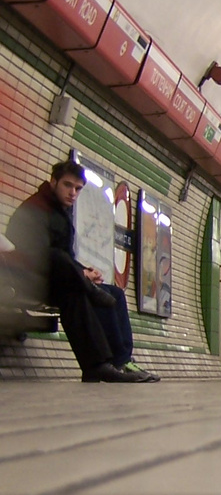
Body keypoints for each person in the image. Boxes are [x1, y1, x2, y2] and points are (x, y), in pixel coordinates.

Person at [4, 160, 157, 382]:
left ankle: (122, 361)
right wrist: (80, 275)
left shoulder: (61, 211)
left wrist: (83, 271)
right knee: (76, 291)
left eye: (78, 189)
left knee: (115, 294)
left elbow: (63, 257)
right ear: (53, 181)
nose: (73, 193)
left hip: (56, 277)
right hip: (29, 279)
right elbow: (39, 254)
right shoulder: (34, 209)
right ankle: (96, 365)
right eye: (67, 185)